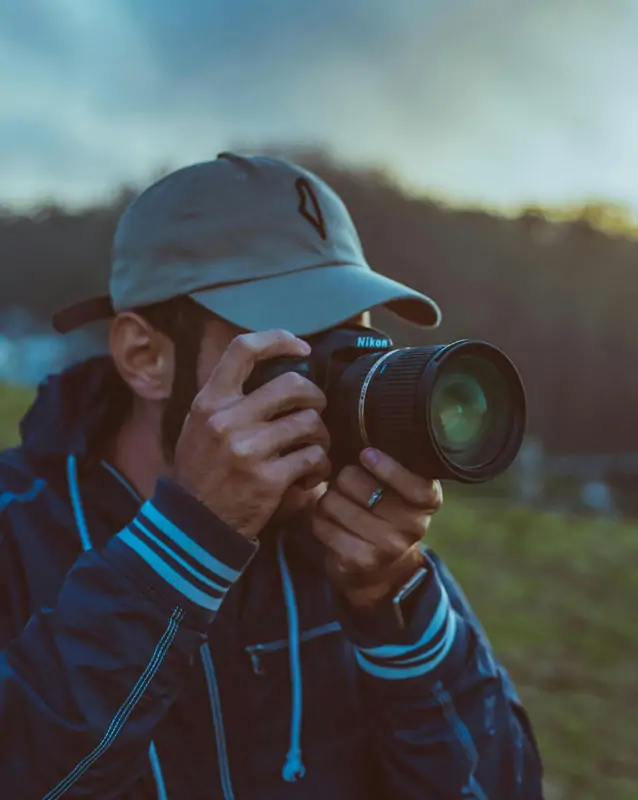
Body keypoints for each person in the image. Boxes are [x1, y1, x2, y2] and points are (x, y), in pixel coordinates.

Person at [0, 153, 543, 799]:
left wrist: (398, 610)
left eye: (350, 343)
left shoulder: (345, 548)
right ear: (145, 357)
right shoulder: (18, 533)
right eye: (292, 348)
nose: (331, 384)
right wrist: (184, 547)